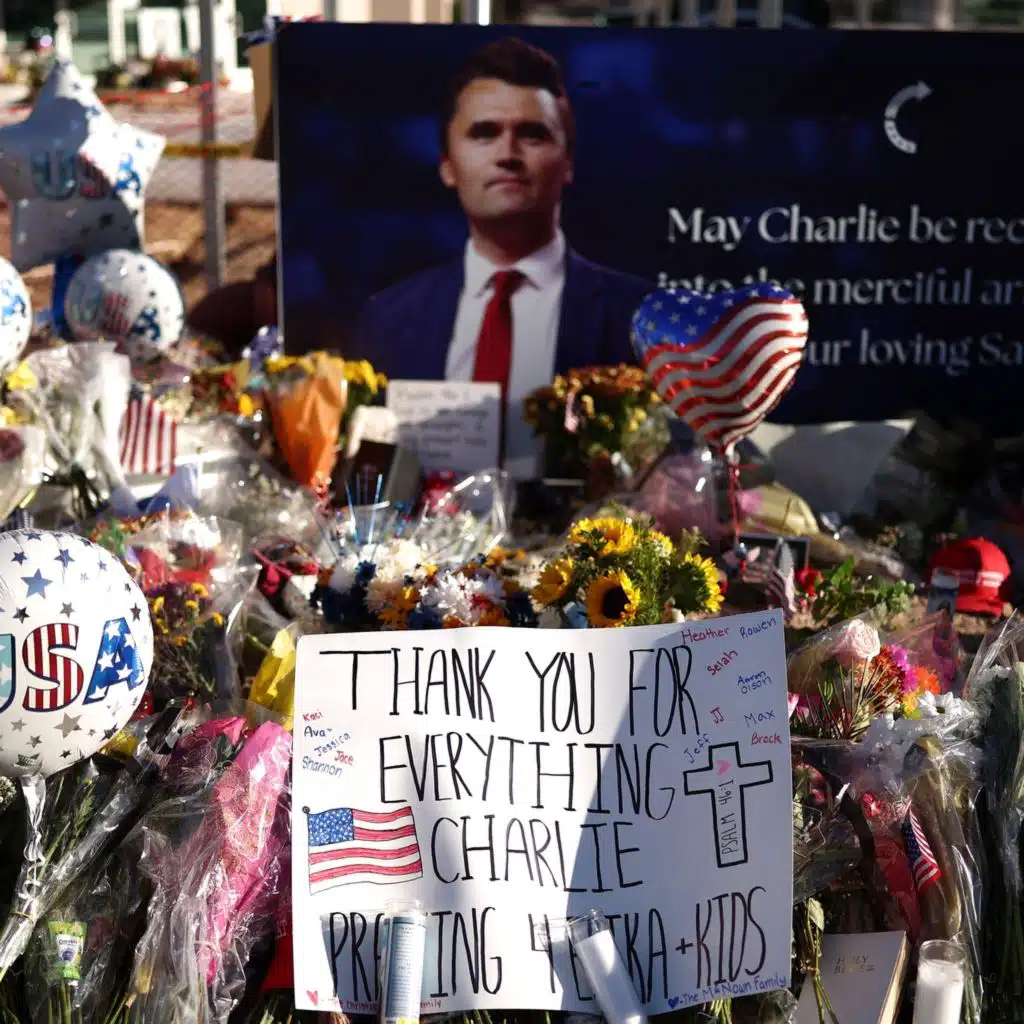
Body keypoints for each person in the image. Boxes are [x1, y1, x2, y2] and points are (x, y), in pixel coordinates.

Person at [351, 36, 652, 479]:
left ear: (568, 162)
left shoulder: (638, 319)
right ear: (447, 164)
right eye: (484, 133)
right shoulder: (387, 320)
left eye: (532, 134)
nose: (507, 155)